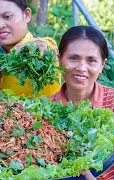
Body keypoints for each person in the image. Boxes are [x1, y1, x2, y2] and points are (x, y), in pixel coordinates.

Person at [51, 26, 114, 179]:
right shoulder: (44, 110)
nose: (81, 68)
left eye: (91, 60)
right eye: (73, 58)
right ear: (59, 60)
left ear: (102, 65)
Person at [0, 0, 61, 96]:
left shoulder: (41, 48)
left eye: (7, 17)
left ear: (26, 15)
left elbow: (46, 47)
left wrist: (35, 48)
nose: (0, 25)